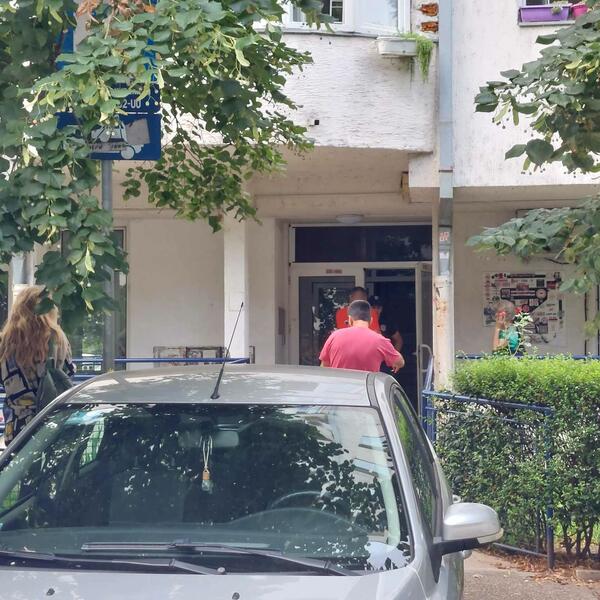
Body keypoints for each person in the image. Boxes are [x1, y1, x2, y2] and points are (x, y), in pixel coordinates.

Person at [0, 286, 75, 445]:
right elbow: (68, 374)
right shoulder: (57, 338)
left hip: (17, 426)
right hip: (52, 420)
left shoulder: (5, 342)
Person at [320, 300, 405, 373]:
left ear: (350, 319)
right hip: (366, 387)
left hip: (339, 387)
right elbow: (400, 362)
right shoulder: (380, 340)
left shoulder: (334, 336)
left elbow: (324, 367)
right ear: (371, 320)